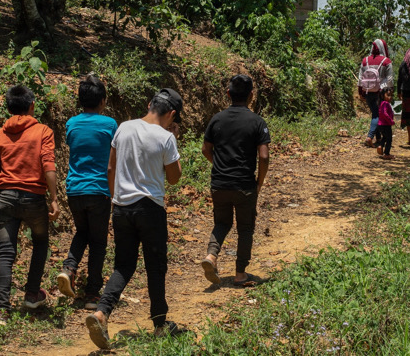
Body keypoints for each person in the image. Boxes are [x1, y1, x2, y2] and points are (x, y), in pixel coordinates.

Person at [85, 88, 183, 349]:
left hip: (121, 208)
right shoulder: (165, 137)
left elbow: (110, 167)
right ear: (171, 114)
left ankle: (102, 312)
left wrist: (116, 198)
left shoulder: (124, 128)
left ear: (149, 103)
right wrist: (172, 139)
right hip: (150, 209)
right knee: (155, 266)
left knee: (123, 266)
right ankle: (160, 325)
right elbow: (174, 178)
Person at [0, 85, 60, 324]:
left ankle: (2, 310)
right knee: (40, 242)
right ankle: (32, 294)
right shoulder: (43, 131)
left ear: (9, 108)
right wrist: (53, 197)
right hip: (33, 198)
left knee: (6, 252)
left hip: (6, 198)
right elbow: (48, 165)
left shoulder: (1, 133)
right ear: (32, 106)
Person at [200, 75, 271, 288]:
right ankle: (240, 274)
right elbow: (264, 156)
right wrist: (259, 182)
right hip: (244, 185)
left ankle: (211, 256)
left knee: (222, 223)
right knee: (245, 228)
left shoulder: (217, 119)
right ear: (251, 95)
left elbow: (205, 149)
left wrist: (219, 165)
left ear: (228, 94)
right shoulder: (257, 122)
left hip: (219, 184)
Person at [57, 75, 118, 310]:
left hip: (74, 190)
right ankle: (93, 294)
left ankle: (69, 268)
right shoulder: (110, 124)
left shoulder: (71, 123)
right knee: (99, 242)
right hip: (99, 190)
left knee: (82, 232)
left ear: (80, 100)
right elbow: (114, 159)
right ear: (102, 101)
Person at [357, 39, 393, 147]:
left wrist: (361, 92)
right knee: (377, 115)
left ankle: (378, 138)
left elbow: (360, 78)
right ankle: (370, 136)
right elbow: (390, 79)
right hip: (380, 92)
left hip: (368, 91)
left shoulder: (365, 61)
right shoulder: (386, 61)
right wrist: (388, 93)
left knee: (375, 113)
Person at [376, 88, 395, 160]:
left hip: (380, 124)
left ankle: (380, 146)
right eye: (388, 95)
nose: (390, 97)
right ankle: (387, 154)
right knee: (389, 139)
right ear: (382, 95)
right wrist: (391, 121)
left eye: (391, 95)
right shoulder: (385, 103)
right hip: (386, 124)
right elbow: (384, 113)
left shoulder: (381, 103)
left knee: (384, 137)